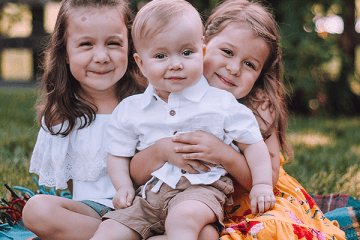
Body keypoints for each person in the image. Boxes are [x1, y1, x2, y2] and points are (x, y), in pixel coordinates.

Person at [129, 0, 346, 239]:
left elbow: (268, 180)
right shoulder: (165, 93)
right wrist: (161, 151)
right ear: (202, 44)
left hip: (252, 200)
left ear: (260, 73)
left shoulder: (257, 106)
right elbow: (134, 173)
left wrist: (223, 153)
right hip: (179, 200)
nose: (234, 69)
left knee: (269, 230)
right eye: (227, 52)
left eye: (249, 64)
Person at [91, 0, 275, 239]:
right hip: (150, 195)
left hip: (201, 189)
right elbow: (117, 153)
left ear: (202, 50)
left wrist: (262, 184)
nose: (176, 64)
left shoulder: (221, 103)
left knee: (182, 219)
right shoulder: (131, 109)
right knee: (109, 229)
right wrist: (124, 186)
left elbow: (253, 144)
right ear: (141, 64)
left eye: (186, 53)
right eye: (161, 55)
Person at [21, 0, 146, 239]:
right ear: (65, 53)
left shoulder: (146, 104)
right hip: (91, 212)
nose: (101, 56)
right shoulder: (62, 117)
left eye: (113, 43)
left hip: (143, 210)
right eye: (86, 44)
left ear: (130, 47)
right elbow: (71, 186)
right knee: (37, 210)